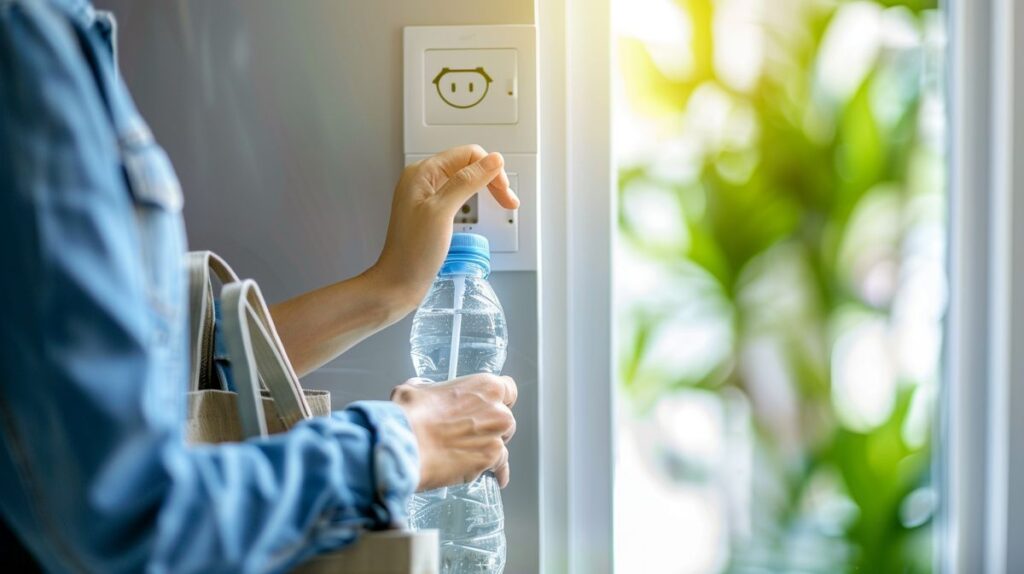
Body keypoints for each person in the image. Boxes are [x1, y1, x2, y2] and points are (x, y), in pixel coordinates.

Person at [0, 0, 520, 571]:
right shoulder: (24, 51)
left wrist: (391, 289)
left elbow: (136, 387)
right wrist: (401, 444)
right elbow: (123, 520)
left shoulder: (56, 37)